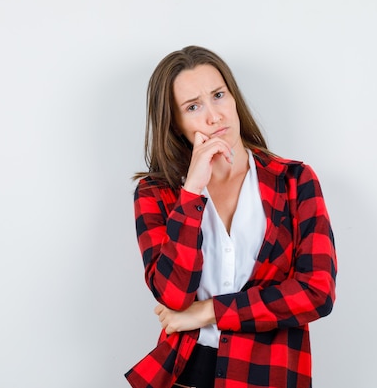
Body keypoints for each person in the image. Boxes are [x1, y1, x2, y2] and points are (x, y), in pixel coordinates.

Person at [125, 45, 337, 388]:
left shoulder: (295, 182)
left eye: (218, 95)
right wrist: (192, 193)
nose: (214, 116)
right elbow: (172, 296)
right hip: (185, 373)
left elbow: (317, 291)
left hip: (270, 375)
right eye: (193, 106)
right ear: (175, 123)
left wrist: (208, 311)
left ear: (234, 98)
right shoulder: (157, 193)